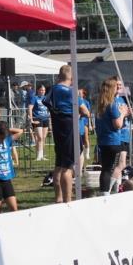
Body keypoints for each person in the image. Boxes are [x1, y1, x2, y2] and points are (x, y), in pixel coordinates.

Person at [94, 77, 131, 195]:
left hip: (103, 140)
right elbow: (118, 125)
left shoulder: (100, 104)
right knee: (108, 169)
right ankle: (106, 193)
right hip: (112, 141)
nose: (118, 88)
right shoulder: (112, 104)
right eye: (116, 86)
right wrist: (123, 113)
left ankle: (108, 191)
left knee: (106, 168)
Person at [49, 65, 76, 204]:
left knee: (59, 165)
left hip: (58, 127)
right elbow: (83, 109)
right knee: (67, 167)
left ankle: (58, 198)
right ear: (71, 76)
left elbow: (47, 103)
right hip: (68, 127)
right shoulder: (70, 91)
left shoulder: (53, 89)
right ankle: (68, 200)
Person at [29, 83, 50, 161]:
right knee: (39, 137)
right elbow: (30, 108)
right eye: (41, 90)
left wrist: (49, 116)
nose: (42, 91)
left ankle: (42, 155)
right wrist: (31, 119)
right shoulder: (34, 98)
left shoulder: (46, 98)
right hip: (37, 118)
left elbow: (49, 108)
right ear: (38, 90)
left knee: (43, 138)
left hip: (45, 119)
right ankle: (38, 155)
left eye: (44, 90)